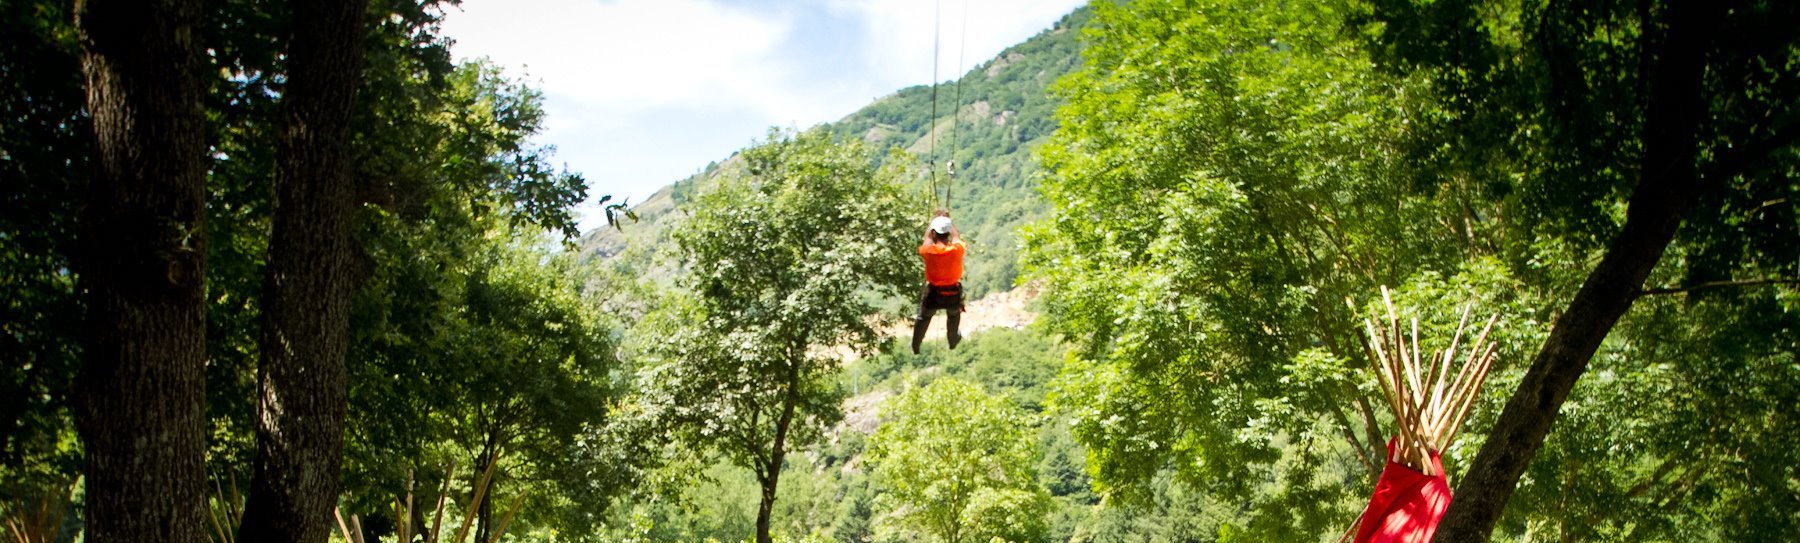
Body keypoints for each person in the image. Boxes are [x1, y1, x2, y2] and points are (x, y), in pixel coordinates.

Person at [912, 209, 966, 354]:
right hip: (952, 292)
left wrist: (934, 221)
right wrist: (948, 221)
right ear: (948, 234)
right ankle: (952, 341)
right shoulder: (956, 250)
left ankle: (916, 345)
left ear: (934, 233)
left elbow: (927, 239)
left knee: (923, 317)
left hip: (934, 293)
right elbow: (956, 237)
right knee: (954, 315)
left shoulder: (929, 251)